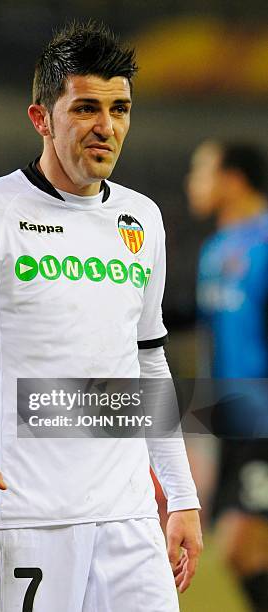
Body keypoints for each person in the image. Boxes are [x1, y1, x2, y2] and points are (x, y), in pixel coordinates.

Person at [0, 21, 202, 612]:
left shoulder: (143, 219)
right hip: (21, 516)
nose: (106, 127)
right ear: (41, 118)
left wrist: (180, 496)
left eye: (120, 109)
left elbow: (148, 362)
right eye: (86, 108)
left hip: (127, 518)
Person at [187, 140, 268, 612]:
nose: (193, 184)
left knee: (240, 543)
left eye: (202, 171)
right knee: (235, 549)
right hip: (235, 422)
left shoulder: (263, 243)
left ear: (233, 179)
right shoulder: (216, 249)